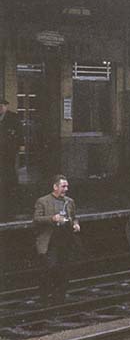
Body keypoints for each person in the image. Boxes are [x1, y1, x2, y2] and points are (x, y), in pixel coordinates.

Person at [33, 174, 81, 305]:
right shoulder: (43, 201)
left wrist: (76, 224)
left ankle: (60, 297)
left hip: (65, 240)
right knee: (50, 268)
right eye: (63, 186)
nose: (66, 189)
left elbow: (74, 217)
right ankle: (44, 296)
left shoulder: (69, 202)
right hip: (51, 241)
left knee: (64, 269)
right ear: (55, 187)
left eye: (67, 186)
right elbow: (36, 219)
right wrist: (52, 218)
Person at [0, 98, 23, 221]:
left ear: (6, 106)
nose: (1, 108)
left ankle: (10, 208)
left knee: (9, 175)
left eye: (2, 105)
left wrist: (19, 146)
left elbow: (20, 133)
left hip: (9, 152)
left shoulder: (13, 117)